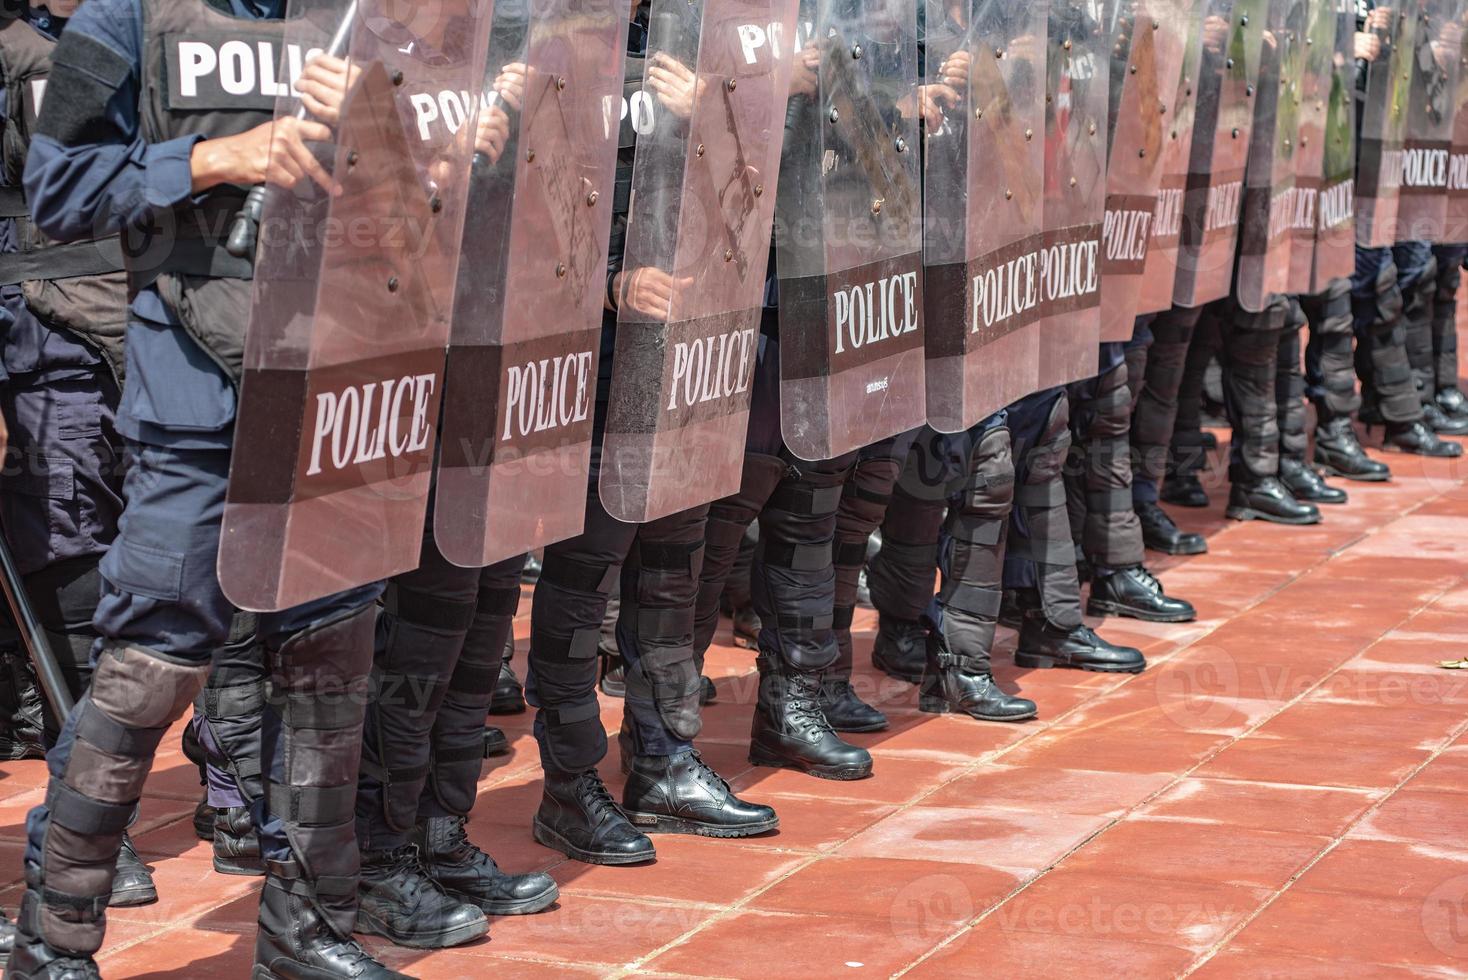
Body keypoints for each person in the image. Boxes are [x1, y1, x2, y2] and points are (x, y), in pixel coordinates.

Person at [8, 1, 460, 974]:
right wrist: (219, 158)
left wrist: (388, 127)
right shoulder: (130, 16)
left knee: (333, 659)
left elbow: (445, 196)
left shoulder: (363, 19)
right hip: (198, 389)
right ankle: (53, 937)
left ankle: (308, 930)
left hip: (342, 376)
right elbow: (57, 191)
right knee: (150, 659)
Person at [525, 0, 776, 865]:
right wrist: (605, 285)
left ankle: (664, 757)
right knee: (584, 568)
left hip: (690, 345)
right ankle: (569, 786)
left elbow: (753, 196)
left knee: (678, 552)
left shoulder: (697, 47)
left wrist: (717, 111)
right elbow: (520, 198)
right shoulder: (554, 42)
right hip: (590, 346)